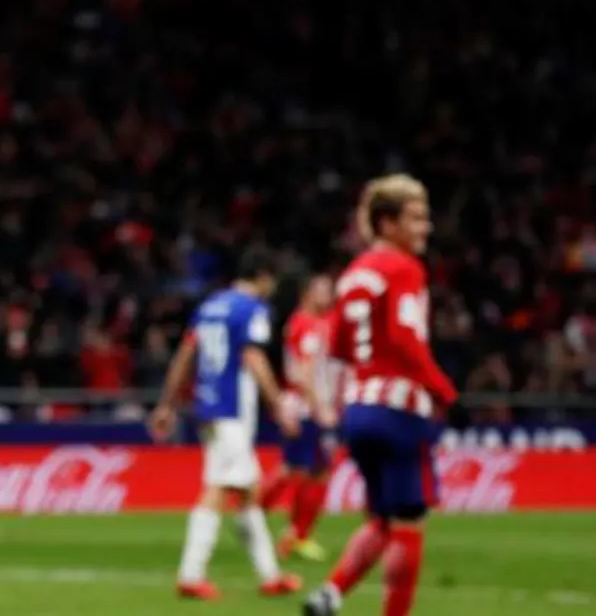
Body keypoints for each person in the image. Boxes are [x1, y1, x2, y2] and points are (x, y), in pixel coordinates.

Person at [303, 175, 456, 616]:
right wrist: (446, 392)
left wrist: (331, 409)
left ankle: (329, 595)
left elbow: (336, 349)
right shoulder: (404, 267)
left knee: (382, 519)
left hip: (359, 409)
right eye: (416, 218)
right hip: (399, 409)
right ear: (387, 223)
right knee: (410, 521)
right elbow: (406, 339)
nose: (426, 227)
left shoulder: (353, 274)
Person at [150, 254, 303, 600]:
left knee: (248, 492)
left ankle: (270, 575)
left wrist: (167, 403)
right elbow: (253, 356)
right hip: (231, 410)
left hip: (208, 405)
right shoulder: (251, 309)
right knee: (218, 488)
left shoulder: (209, 307)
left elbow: (186, 356)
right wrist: (278, 406)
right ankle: (190, 575)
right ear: (262, 277)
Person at [261, 274, 341, 561]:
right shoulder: (304, 324)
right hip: (306, 407)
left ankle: (296, 536)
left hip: (317, 405)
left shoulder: (321, 322)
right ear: (306, 293)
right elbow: (305, 373)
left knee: (316, 470)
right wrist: (319, 407)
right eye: (322, 290)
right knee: (298, 469)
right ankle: (254, 516)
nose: (329, 295)